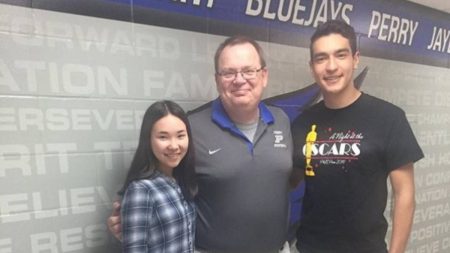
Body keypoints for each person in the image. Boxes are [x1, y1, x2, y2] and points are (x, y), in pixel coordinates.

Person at [109, 36, 294, 253]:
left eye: (248, 70)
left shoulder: (281, 120)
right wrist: (127, 217)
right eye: (228, 72)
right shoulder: (190, 128)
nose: (239, 79)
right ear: (217, 80)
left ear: (264, 76)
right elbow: (155, 180)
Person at [291, 20, 424, 253]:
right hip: (310, 248)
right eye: (321, 58)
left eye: (340, 55)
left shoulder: (389, 118)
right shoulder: (302, 122)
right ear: (312, 67)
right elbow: (289, 179)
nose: (331, 66)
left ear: (355, 59)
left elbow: (404, 195)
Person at [118, 100, 197, 253]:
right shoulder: (141, 190)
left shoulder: (181, 180)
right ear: (148, 140)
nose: (174, 145)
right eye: (163, 137)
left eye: (180, 136)